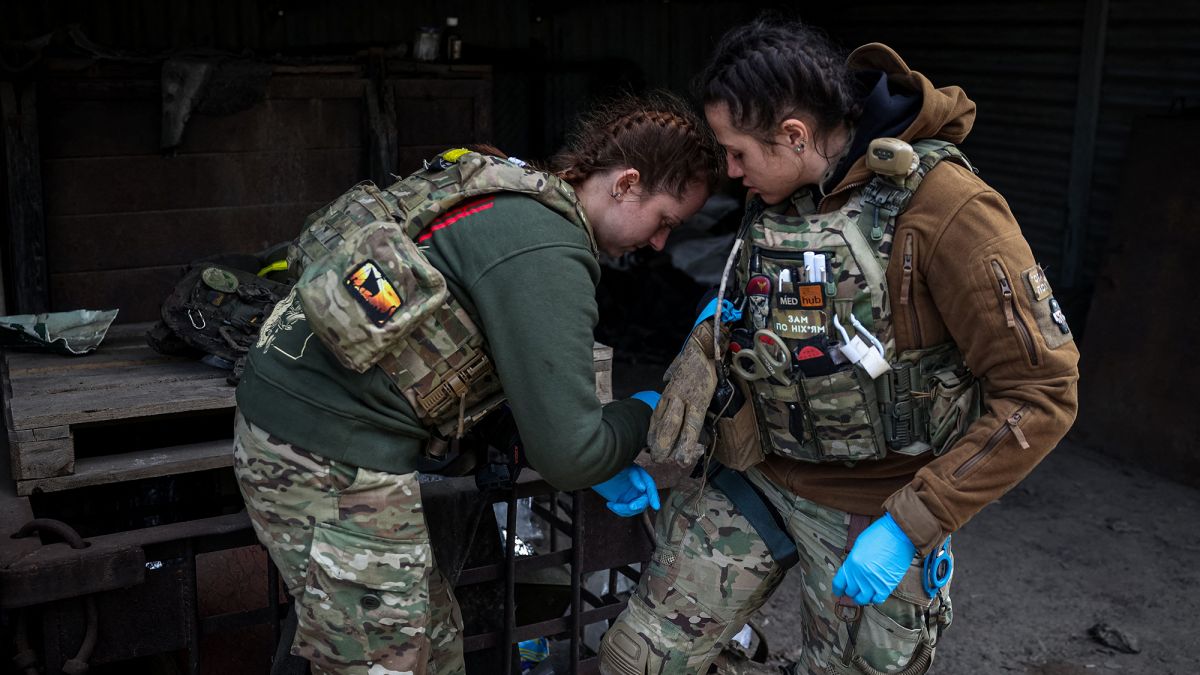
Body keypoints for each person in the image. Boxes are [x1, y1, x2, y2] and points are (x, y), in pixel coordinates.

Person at [600, 18, 1080, 675]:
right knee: (637, 659)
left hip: (876, 507)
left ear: (794, 134)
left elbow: (1043, 391)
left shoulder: (947, 207)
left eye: (738, 152)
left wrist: (916, 518)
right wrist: (706, 341)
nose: (731, 172)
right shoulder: (783, 191)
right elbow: (756, 294)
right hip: (762, 474)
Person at [232, 92, 722, 675]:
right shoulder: (548, 251)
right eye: (664, 220)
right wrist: (644, 411)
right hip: (323, 455)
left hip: (307, 420)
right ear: (626, 183)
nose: (662, 243)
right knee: (389, 661)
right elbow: (570, 455)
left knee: (434, 648)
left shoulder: (512, 189)